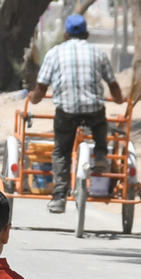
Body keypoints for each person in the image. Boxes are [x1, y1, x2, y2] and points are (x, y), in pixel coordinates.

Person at [28, 13, 127, 214]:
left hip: (66, 111)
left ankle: (58, 197)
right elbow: (113, 85)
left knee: (61, 150)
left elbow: (40, 89)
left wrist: (32, 98)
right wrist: (120, 99)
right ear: (87, 34)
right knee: (100, 124)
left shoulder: (54, 53)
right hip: (93, 109)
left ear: (65, 34)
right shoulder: (98, 53)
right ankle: (100, 155)